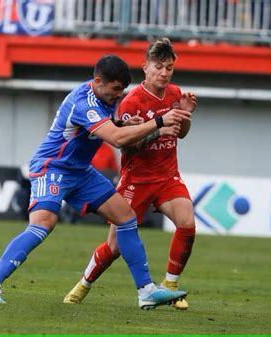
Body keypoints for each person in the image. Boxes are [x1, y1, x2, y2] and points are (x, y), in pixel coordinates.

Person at [0, 54, 192, 309]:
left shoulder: (105, 96)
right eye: (116, 90)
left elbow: (112, 129)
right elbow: (117, 139)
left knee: (126, 216)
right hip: (52, 166)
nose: (119, 96)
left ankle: (145, 291)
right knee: (44, 224)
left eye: (122, 90)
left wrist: (123, 122)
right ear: (98, 81)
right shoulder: (83, 102)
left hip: (79, 171)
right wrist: (159, 122)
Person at [63, 38, 197, 310]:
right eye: (158, 67)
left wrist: (185, 115)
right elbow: (126, 145)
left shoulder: (175, 94)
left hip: (167, 176)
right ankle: (83, 284)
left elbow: (180, 134)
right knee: (114, 247)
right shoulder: (131, 101)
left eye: (169, 68)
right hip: (136, 180)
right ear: (145, 67)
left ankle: (170, 287)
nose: (164, 73)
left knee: (187, 223)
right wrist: (156, 130)